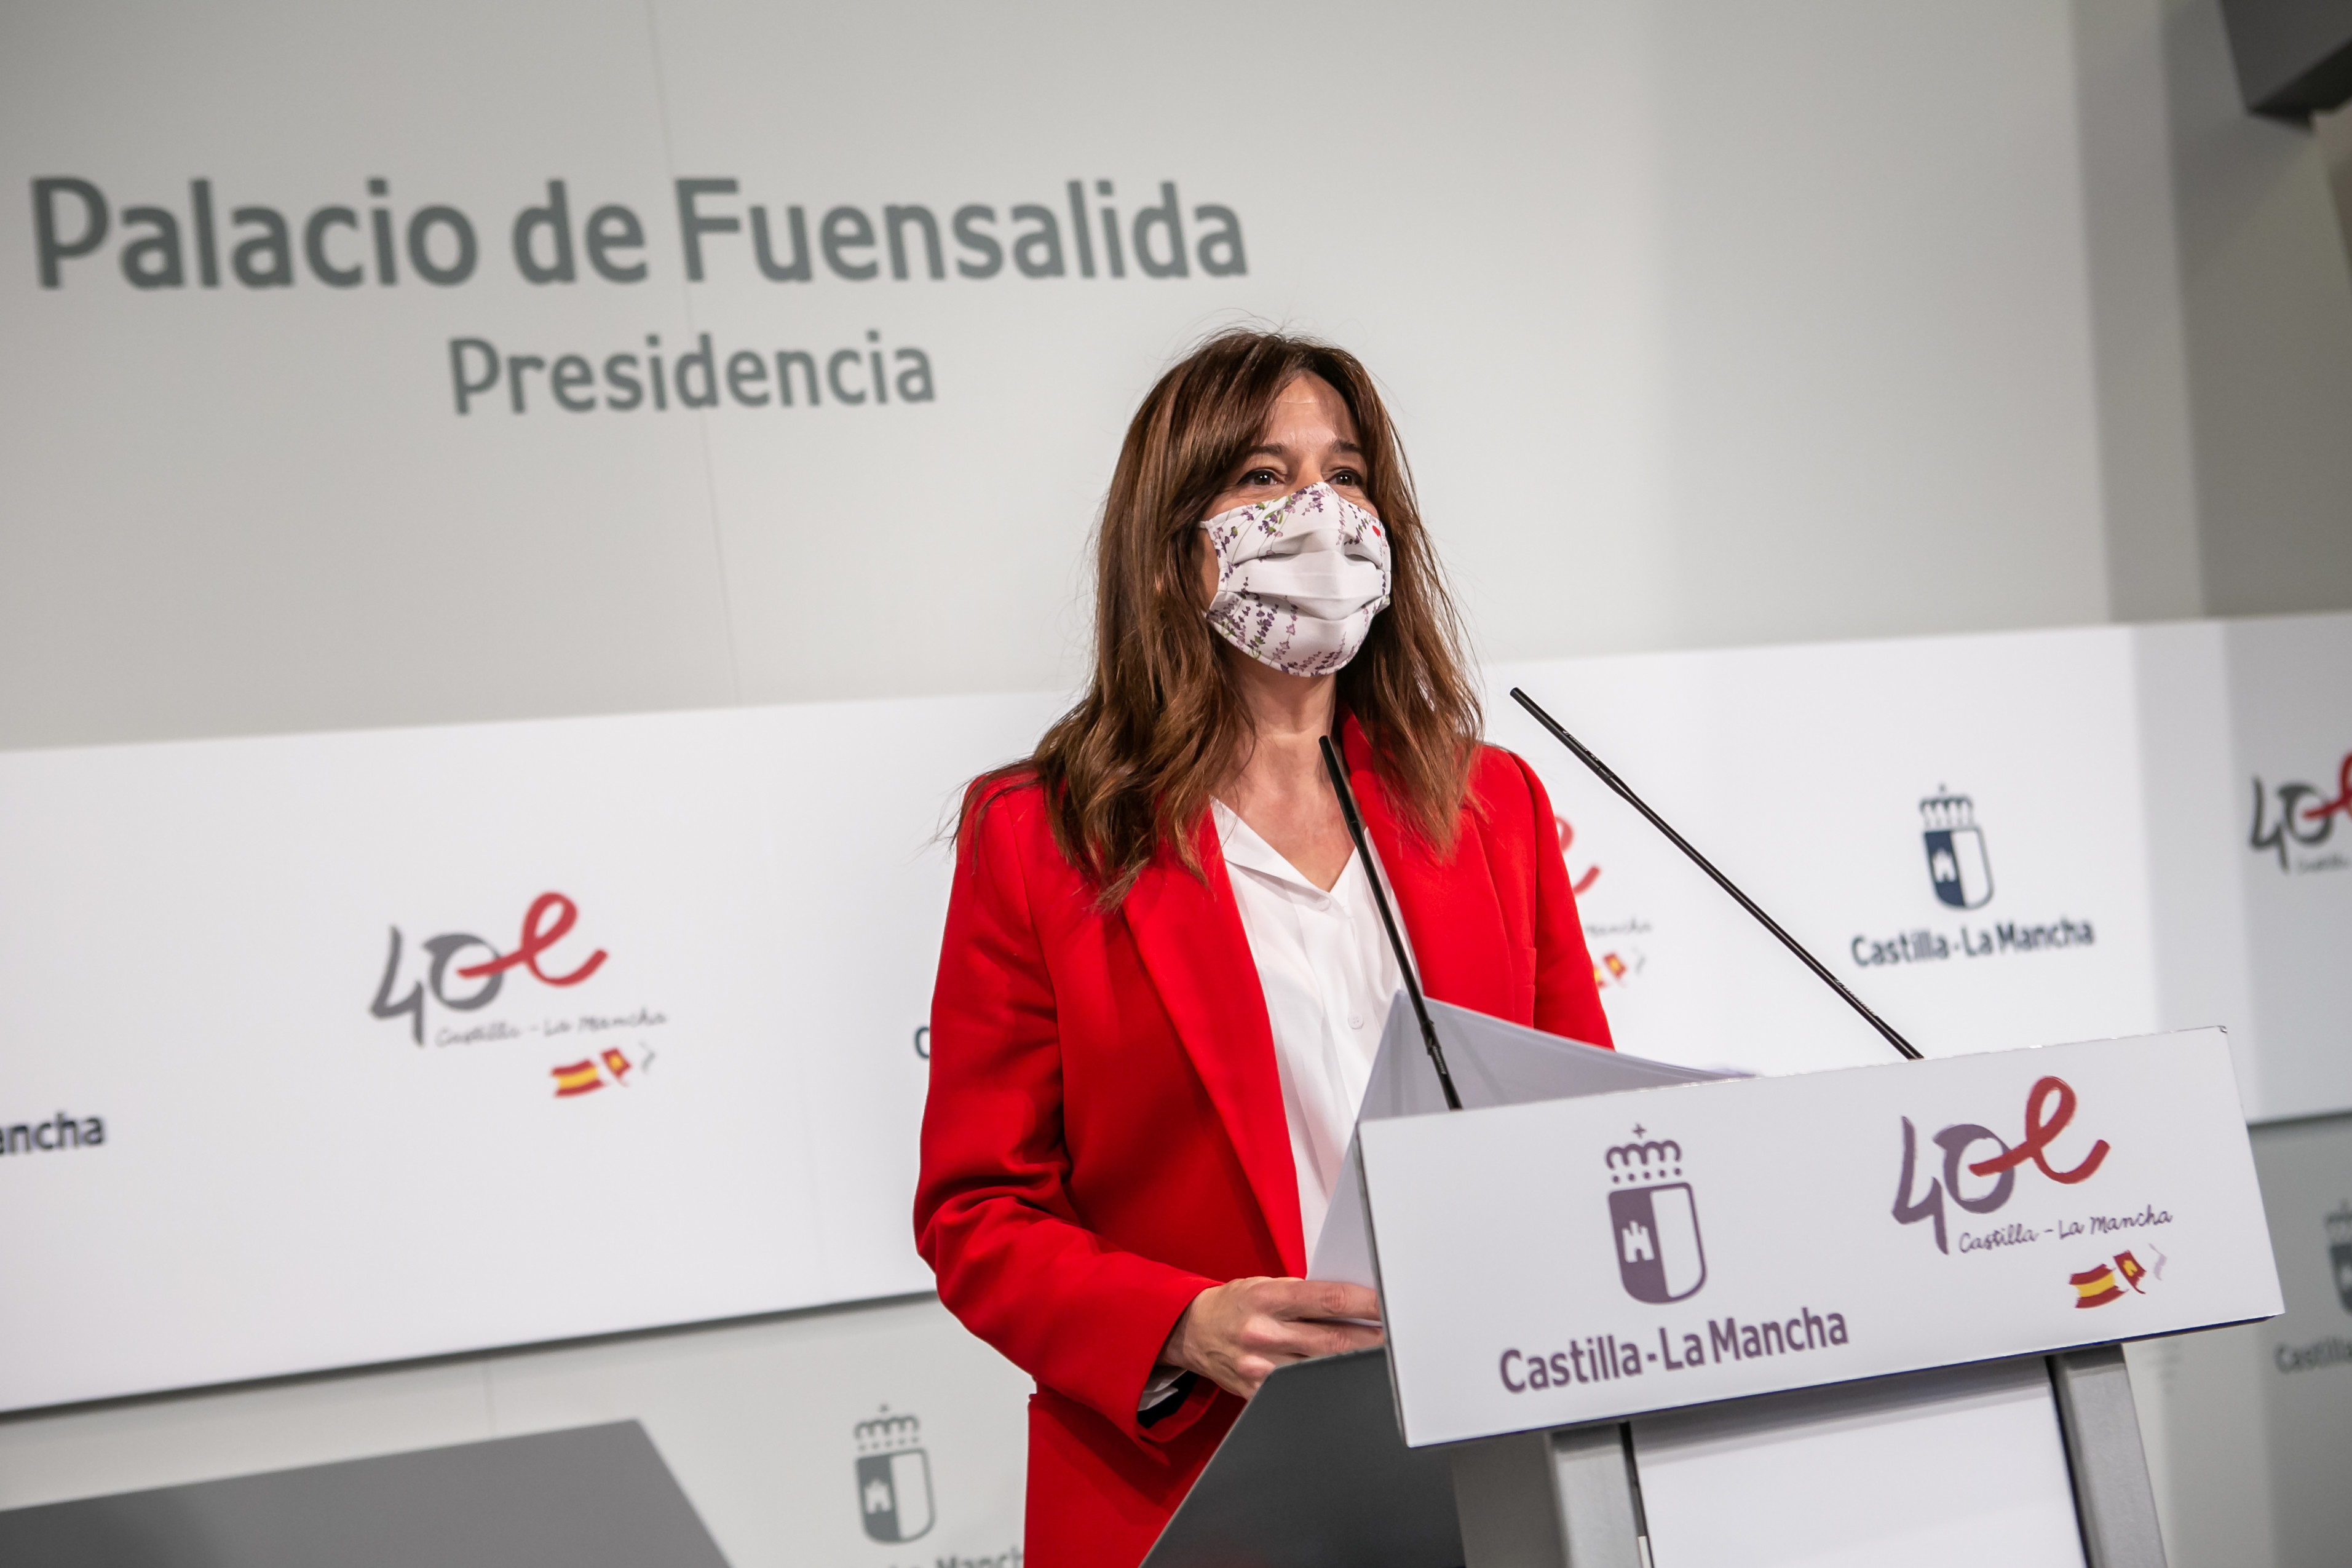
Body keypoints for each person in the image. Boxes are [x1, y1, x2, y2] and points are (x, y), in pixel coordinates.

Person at [915, 329, 1613, 1566]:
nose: (1317, 512)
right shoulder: (1042, 835)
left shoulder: (1490, 802)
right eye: (1260, 477)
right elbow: (977, 1210)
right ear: (1171, 541)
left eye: (1344, 476)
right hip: (1204, 1485)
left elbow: (1585, 1128)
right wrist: (1180, 1323)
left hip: (1494, 1447)